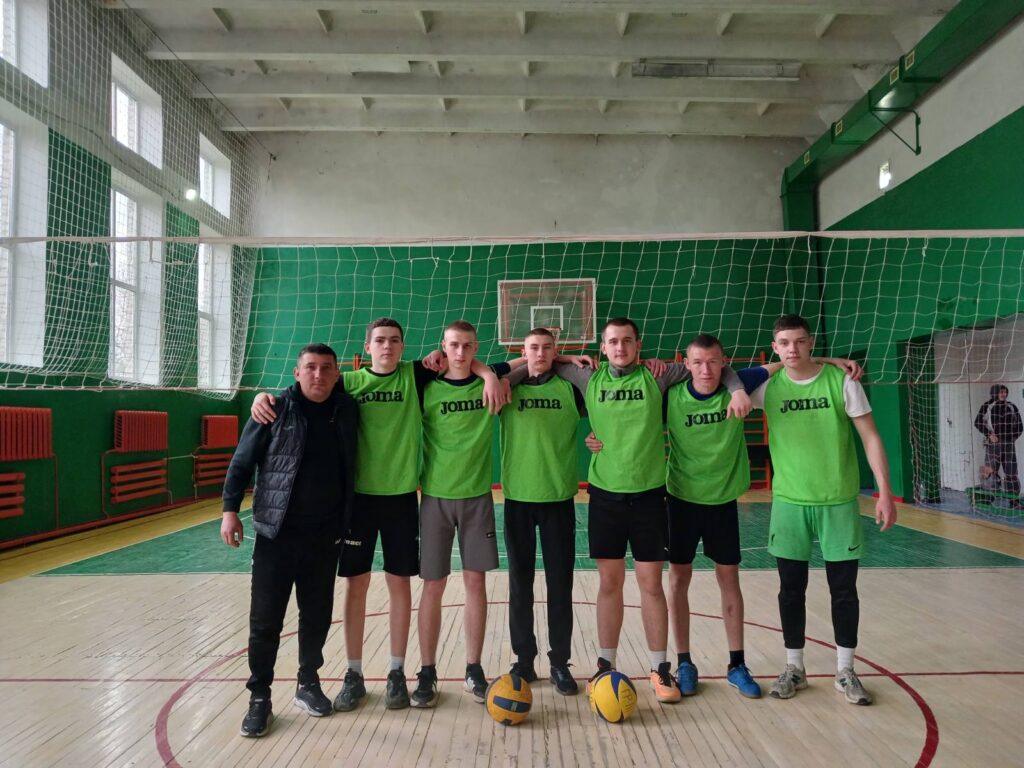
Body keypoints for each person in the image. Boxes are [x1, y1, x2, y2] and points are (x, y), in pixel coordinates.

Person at [249, 319, 504, 712]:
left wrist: (487, 373)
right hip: (358, 502)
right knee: (357, 585)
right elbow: (306, 390)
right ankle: (353, 673)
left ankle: (397, 671)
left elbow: (465, 361)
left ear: (403, 346)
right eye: (380, 341)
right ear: (367, 347)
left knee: (400, 584)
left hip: (401, 498)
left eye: (395, 340)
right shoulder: (348, 382)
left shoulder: (415, 376)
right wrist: (265, 397)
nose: (387, 346)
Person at [587, 334, 860, 700]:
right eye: (698, 363)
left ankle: (737, 664)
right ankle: (684, 662)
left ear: (724, 363)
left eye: (713, 362)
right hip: (680, 500)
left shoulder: (739, 385)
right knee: (678, 581)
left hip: (723, 503)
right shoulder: (670, 392)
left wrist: (828, 361)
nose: (706, 370)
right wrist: (598, 436)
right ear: (686, 365)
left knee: (729, 580)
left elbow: (787, 362)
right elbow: (625, 416)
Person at [509, 317, 751, 704]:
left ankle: (659, 667)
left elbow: (714, 367)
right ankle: (605, 666)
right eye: (613, 342)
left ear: (638, 345)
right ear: (603, 348)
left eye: (627, 341)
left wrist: (737, 389)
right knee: (610, 584)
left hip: (650, 496)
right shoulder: (587, 377)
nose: (620, 347)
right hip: (605, 496)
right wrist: (563, 357)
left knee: (651, 585)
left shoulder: (659, 376)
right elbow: (538, 364)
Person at [750, 314, 896, 706]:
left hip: (839, 501)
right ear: (775, 347)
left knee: (844, 590)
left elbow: (870, 436)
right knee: (790, 590)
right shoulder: (767, 387)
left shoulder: (842, 382)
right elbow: (726, 378)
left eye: (799, 341)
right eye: (784, 343)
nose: (792, 349)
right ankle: (794, 668)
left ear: (811, 342)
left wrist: (884, 492)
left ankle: (846, 670)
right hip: (789, 502)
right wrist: (820, 359)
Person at [220, 343, 358, 738]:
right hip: (276, 535)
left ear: (337, 374)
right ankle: (259, 697)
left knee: (316, 616)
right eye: (310, 367)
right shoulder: (273, 409)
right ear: (297, 373)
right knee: (265, 621)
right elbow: (242, 461)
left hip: (325, 536)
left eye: (326, 368)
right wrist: (230, 509)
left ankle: (308, 682)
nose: (318, 375)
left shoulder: (346, 409)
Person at [413, 320, 512, 708]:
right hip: (435, 498)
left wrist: (489, 374)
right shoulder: (426, 386)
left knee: (475, 582)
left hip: (477, 498)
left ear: (476, 347)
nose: (460, 352)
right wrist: (488, 372)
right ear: (444, 345)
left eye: (467, 346)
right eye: (453, 345)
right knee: (433, 585)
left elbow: (529, 361)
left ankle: (473, 668)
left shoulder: (490, 381)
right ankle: (427, 670)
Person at [499, 328, 586, 695]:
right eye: (533, 347)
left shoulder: (572, 389)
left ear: (556, 351)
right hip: (518, 499)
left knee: (559, 584)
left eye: (548, 348)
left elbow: (607, 396)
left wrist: (563, 362)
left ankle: (559, 662)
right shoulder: (506, 388)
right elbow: (483, 371)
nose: (540, 353)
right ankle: (524, 660)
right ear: (523, 351)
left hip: (558, 499)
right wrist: (524, 367)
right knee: (519, 584)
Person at [974, 385, 1023, 500]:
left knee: (1011, 473)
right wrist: (989, 435)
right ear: (994, 393)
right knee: (989, 471)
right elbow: (978, 422)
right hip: (993, 446)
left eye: (1005, 392)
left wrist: (1012, 438)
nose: (1003, 394)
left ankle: (1014, 500)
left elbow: (1020, 427)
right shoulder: (987, 406)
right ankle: (989, 497)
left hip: (1008, 446)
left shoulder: (1012, 407)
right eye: (1001, 392)